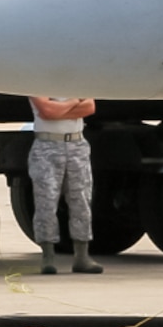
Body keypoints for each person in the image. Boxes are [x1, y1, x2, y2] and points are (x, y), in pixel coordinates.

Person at [27, 95, 102, 275]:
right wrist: (75, 102)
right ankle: (48, 256)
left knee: (81, 201)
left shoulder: (75, 79)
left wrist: (59, 108)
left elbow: (90, 107)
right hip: (47, 145)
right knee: (46, 202)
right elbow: (47, 111)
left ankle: (82, 256)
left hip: (77, 144)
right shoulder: (38, 81)